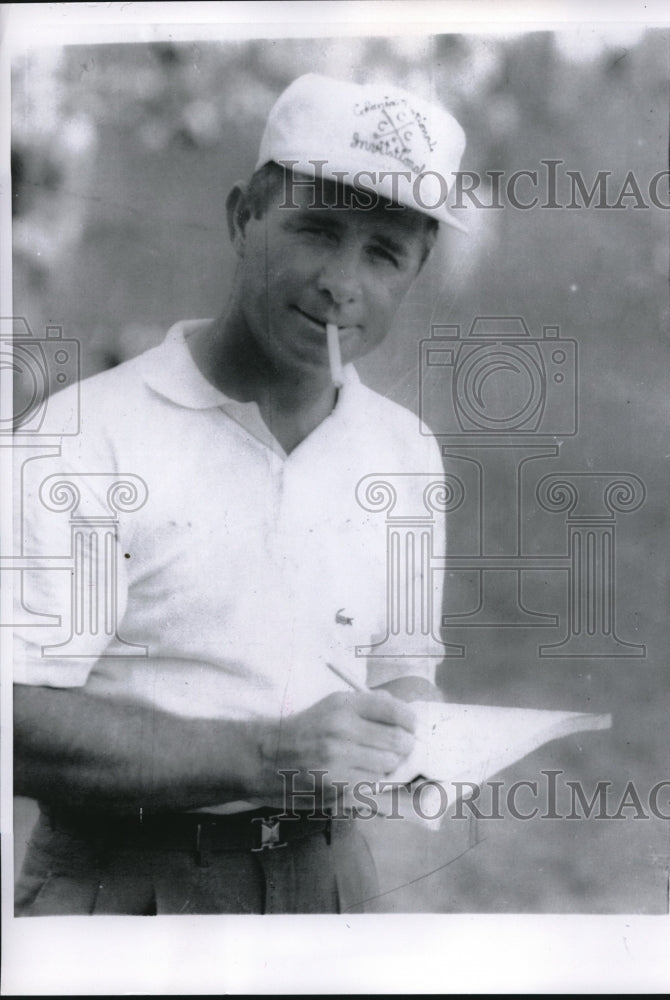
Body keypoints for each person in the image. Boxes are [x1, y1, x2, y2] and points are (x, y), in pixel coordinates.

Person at [13, 73, 467, 915]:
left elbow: (404, 672)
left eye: (383, 252)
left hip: (330, 882)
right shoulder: (82, 434)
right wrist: (263, 754)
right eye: (315, 230)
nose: (340, 281)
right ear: (242, 218)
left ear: (416, 270)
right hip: (125, 886)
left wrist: (416, 736)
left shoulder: (404, 452)